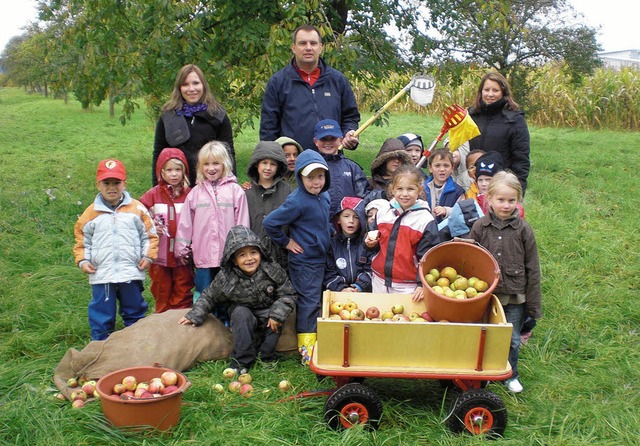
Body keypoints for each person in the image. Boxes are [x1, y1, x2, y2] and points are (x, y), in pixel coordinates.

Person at [178, 225, 297, 373]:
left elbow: (288, 293)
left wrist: (278, 313)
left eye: (253, 252)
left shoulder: (272, 269)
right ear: (233, 260)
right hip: (242, 310)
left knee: (276, 319)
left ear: (260, 253)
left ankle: (267, 357)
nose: (249, 259)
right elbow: (209, 296)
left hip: (268, 309)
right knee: (241, 314)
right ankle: (242, 361)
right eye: (242, 255)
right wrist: (195, 315)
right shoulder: (226, 278)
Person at [469, 171, 542, 393]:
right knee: (484, 334)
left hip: (514, 295)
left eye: (512, 200)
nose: (506, 205)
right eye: (501, 200)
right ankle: (484, 371)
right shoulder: (480, 226)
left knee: (511, 338)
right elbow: (471, 260)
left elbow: (533, 267)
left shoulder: (524, 230)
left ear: (518, 200)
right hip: (487, 294)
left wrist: (533, 305)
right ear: (488, 199)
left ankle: (511, 374)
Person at [73, 159, 159, 340]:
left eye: (116, 183)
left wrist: (148, 257)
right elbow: (82, 239)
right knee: (101, 312)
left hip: (131, 270)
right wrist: (83, 260)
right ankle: (100, 344)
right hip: (102, 273)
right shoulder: (91, 213)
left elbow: (150, 235)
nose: (112, 187)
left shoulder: (137, 209)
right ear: (98, 185)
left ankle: (137, 341)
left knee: (134, 308)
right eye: (106, 183)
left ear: (124, 183)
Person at [263, 149, 332, 365]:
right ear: (300, 177)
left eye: (320, 176)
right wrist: (287, 242)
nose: (316, 182)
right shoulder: (297, 201)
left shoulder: (324, 196)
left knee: (321, 299)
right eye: (310, 177)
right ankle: (307, 352)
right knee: (309, 302)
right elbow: (270, 223)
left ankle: (322, 339)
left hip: (322, 256)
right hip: (305, 262)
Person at [174, 141, 249, 316]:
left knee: (228, 292)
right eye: (206, 164)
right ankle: (204, 327)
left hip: (228, 257)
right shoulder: (195, 193)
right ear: (200, 167)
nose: (211, 168)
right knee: (204, 293)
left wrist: (241, 249)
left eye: (216, 163)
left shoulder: (235, 191)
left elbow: (242, 222)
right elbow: (186, 223)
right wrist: (181, 246)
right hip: (203, 255)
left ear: (225, 164)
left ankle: (227, 326)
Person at [260, 24, 360, 151]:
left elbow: (350, 117)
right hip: (293, 163)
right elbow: (268, 129)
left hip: (331, 160)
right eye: (302, 43)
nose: (308, 48)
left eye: (313, 43)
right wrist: (272, 159)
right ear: (293, 48)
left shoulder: (338, 80)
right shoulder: (278, 82)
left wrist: (349, 133)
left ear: (320, 47)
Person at [365, 166, 441, 301]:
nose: (405, 194)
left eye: (410, 189)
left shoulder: (425, 220)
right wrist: (369, 243)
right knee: (379, 318)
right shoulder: (383, 212)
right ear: (392, 189)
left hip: (408, 285)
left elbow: (428, 256)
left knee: (403, 319)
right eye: (400, 189)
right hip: (379, 279)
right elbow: (373, 238)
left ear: (420, 189)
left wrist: (421, 284)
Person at [152, 64, 235, 187]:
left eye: (196, 83)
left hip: (211, 186)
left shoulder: (217, 115)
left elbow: (228, 154)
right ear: (179, 88)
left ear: (203, 85)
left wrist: (231, 186)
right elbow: (159, 155)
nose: (191, 89)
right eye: (185, 84)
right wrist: (156, 189)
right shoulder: (168, 116)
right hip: (178, 187)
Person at [140, 148, 194, 312]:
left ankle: (180, 323)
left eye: (178, 169)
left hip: (182, 255)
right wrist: (150, 226)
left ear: (184, 171)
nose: (174, 174)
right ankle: (161, 321)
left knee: (183, 289)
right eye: (169, 170)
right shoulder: (152, 195)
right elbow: (138, 217)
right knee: (161, 290)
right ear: (161, 172)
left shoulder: (190, 195)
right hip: (159, 256)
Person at [468, 72, 531, 194]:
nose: (490, 94)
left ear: (503, 92)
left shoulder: (515, 120)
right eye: (486, 90)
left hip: (500, 184)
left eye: (495, 90)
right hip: (471, 184)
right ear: (481, 92)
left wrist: (518, 189)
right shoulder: (470, 116)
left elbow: (521, 158)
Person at [312, 119, 375, 216]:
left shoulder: (352, 168)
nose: (328, 142)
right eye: (324, 139)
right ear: (316, 141)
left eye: (333, 138)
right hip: (319, 223)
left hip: (346, 225)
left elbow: (364, 197)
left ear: (341, 140)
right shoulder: (310, 166)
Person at [245, 141, 292, 270]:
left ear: (279, 167)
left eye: (273, 164)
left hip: (280, 256)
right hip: (253, 256)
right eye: (264, 163)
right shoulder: (245, 192)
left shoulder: (287, 190)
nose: (268, 168)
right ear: (256, 164)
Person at [324, 197, 372, 293]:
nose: (351, 221)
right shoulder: (331, 244)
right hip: (338, 294)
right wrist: (341, 288)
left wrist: (359, 286)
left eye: (356, 217)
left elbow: (371, 269)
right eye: (346, 216)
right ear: (338, 219)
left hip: (363, 293)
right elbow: (328, 272)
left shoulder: (367, 243)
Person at [474, 151, 525, 218]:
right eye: (480, 180)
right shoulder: (474, 201)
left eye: (488, 180)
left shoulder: (516, 210)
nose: (484, 184)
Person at [424, 148, 465, 223]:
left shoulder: (457, 191)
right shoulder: (422, 188)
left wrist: (446, 211)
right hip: (425, 228)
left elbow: (461, 212)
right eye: (437, 166)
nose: (442, 169)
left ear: (452, 168)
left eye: (446, 166)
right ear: (430, 168)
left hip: (446, 230)